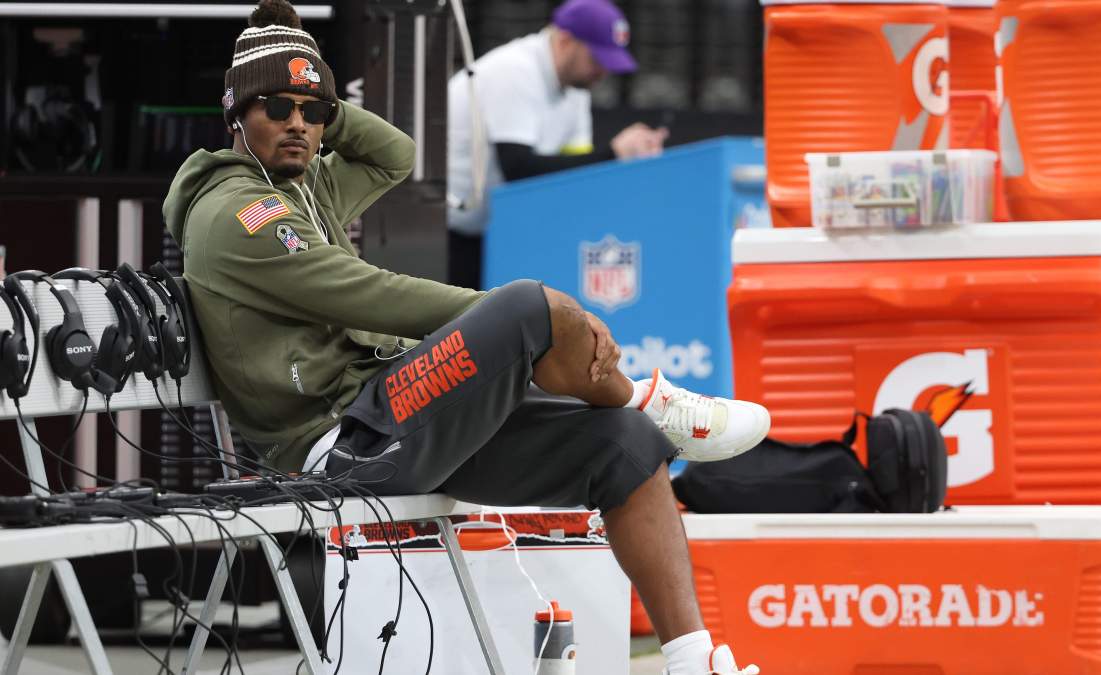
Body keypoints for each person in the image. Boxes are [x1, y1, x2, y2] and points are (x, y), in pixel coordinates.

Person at [162, 2, 762, 673]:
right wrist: (513, 320)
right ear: (236, 112)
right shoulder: (238, 212)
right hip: (343, 446)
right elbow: (369, 295)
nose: (298, 123)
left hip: (388, 417)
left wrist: (317, 98)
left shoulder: (302, 183)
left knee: (626, 445)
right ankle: (651, 398)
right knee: (529, 305)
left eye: (314, 111)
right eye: (277, 107)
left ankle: (693, 660)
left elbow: (396, 154)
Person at [446, 0, 669, 290]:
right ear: (565, 40)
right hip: (446, 232)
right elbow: (517, 168)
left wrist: (630, 162)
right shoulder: (515, 70)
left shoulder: (577, 88)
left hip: (494, 232)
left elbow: (575, 176)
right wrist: (614, 154)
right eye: (597, 59)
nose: (603, 72)